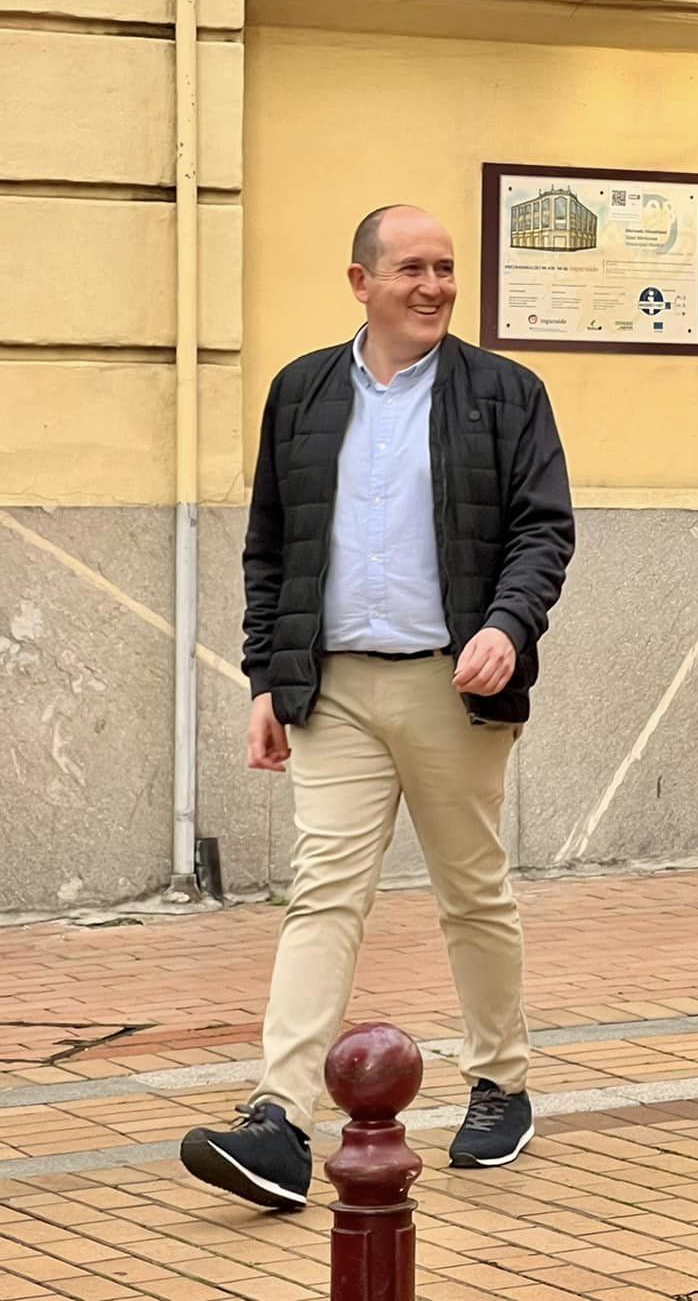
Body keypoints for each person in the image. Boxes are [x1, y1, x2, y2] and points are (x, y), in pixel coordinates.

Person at [181, 205, 575, 1210]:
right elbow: (271, 547)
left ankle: (501, 1083)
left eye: (445, 269)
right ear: (360, 282)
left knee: (471, 890)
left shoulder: (504, 392)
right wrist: (266, 678)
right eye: (412, 269)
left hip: (454, 680)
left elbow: (542, 530)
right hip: (334, 689)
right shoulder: (304, 392)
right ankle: (277, 1118)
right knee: (323, 893)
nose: (435, 285)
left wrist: (507, 625)